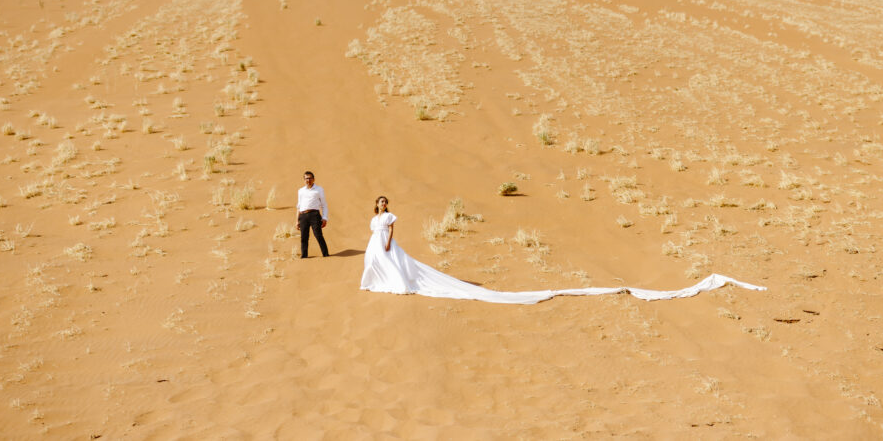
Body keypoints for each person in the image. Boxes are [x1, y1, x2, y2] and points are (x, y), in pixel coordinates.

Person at [360, 196, 767, 304]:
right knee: (380, 268)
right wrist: (376, 240)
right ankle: (383, 280)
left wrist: (388, 241)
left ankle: (395, 283)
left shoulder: (391, 218)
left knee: (400, 269)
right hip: (374, 246)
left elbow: (391, 233)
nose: (381, 206)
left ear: (386, 205)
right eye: (378, 204)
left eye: (383, 203)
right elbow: (375, 229)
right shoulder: (375, 216)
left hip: (387, 246)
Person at [296, 170, 329, 258]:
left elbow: (324, 205)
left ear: (313, 179)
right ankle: (304, 255)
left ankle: (325, 254)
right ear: (304, 180)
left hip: (314, 214)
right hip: (303, 215)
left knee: (318, 235)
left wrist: (325, 218)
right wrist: (297, 220)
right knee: (304, 237)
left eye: (310, 178)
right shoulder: (301, 191)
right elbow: (299, 206)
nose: (308, 180)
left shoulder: (319, 189)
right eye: (306, 178)